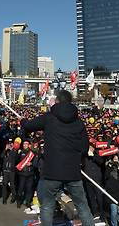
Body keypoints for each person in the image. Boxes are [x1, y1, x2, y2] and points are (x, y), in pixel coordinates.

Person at [21, 90, 94, 226]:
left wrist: (23, 121)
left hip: (52, 171)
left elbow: (28, 126)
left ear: (57, 101)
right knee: (82, 207)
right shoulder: (78, 123)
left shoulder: (49, 117)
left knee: (47, 207)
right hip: (73, 171)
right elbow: (84, 148)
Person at [2, 140, 17, 204]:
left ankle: (13, 197)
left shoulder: (14, 151)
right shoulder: (5, 151)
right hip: (5, 170)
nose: (9, 145)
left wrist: (12, 149)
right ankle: (4, 199)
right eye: (8, 144)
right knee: (4, 185)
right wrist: (5, 149)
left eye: (11, 144)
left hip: (11, 171)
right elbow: (1, 156)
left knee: (12, 185)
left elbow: (15, 157)